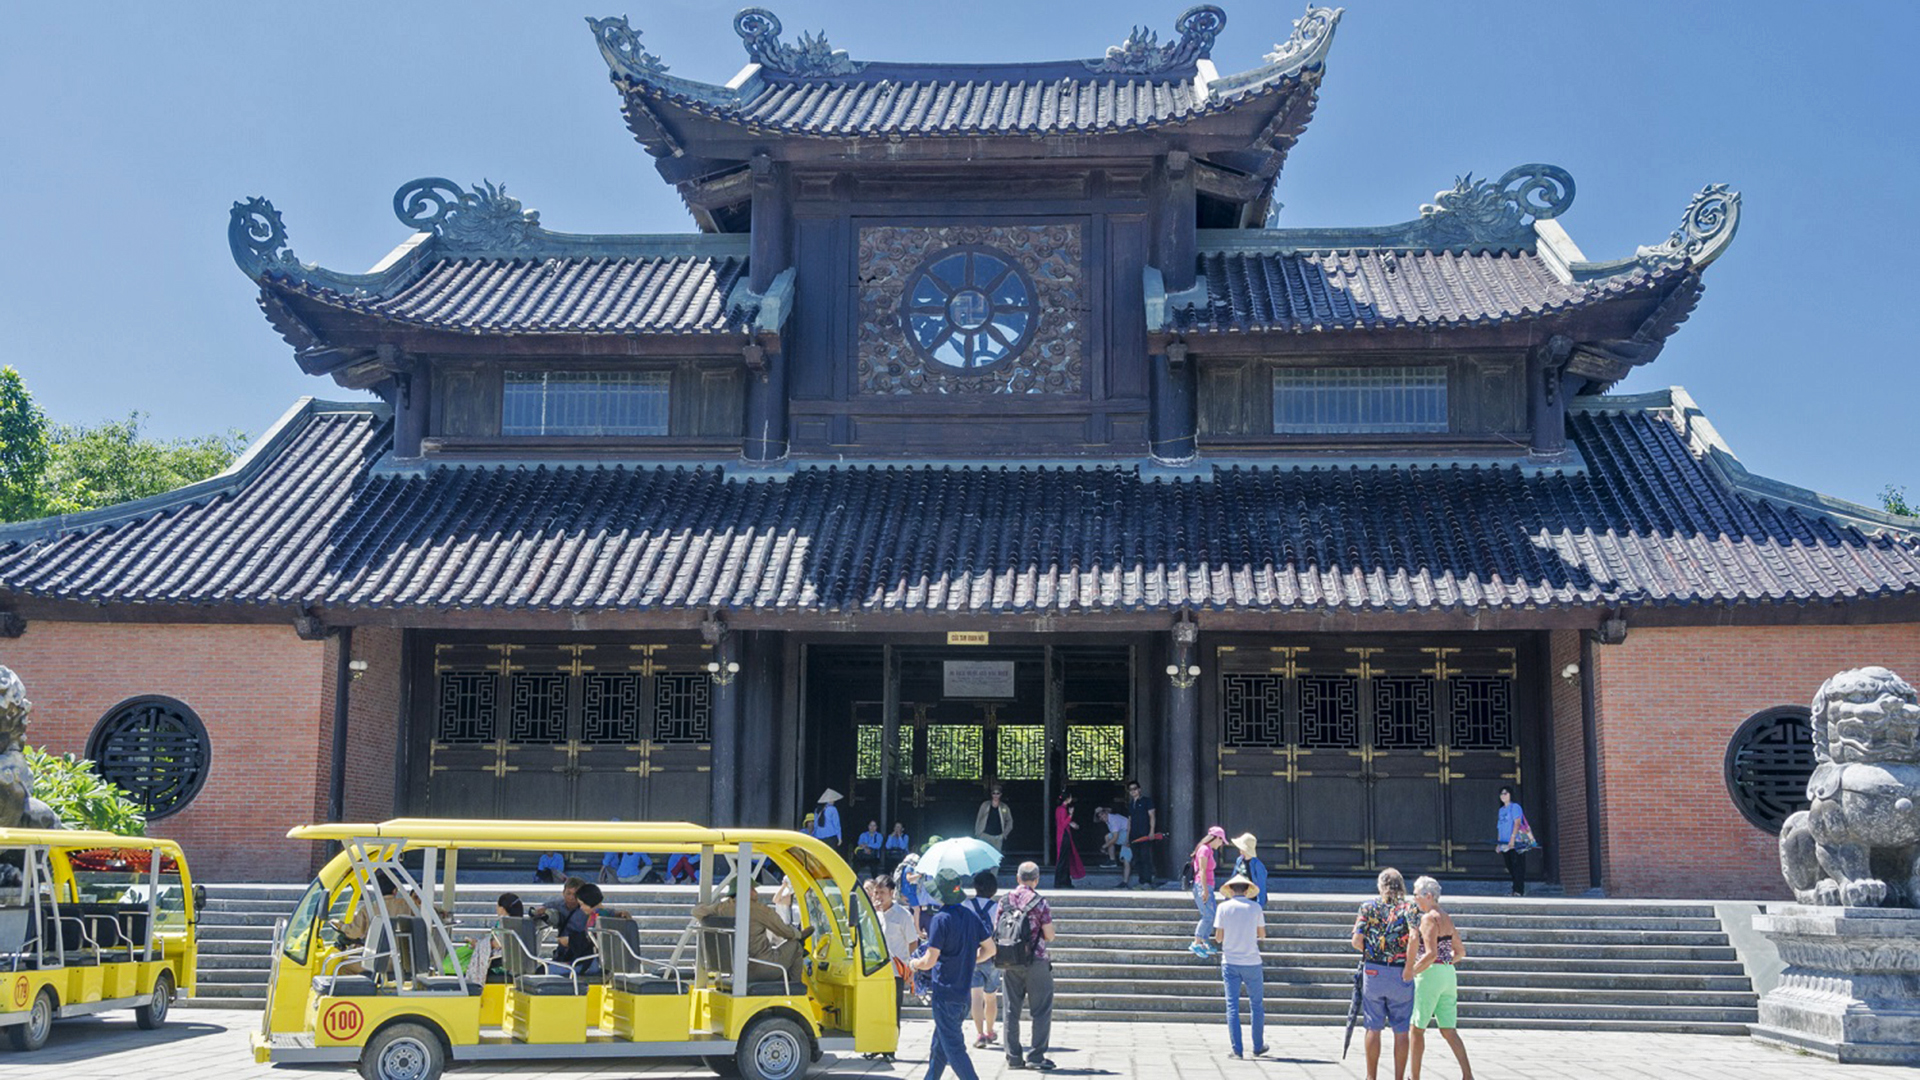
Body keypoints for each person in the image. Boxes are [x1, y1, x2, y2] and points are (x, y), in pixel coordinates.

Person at [911, 871, 997, 1080]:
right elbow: (991, 949)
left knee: (955, 1049)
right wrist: (969, 959)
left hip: (945, 993)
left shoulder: (940, 919)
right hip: (963, 993)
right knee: (940, 1045)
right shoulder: (970, 916)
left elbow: (930, 960)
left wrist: (914, 964)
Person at [1352, 868, 1417, 1080]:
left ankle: (1371, 1076)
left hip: (1374, 970)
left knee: (1373, 1025)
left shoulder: (1368, 907)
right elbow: (1415, 937)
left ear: (1381, 885)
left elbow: (1356, 940)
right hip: (1400, 971)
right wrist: (1409, 966)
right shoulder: (1410, 908)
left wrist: (1370, 949)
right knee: (1401, 1028)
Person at [1404, 876, 1472, 1080]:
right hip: (1447, 973)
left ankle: (1414, 1077)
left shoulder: (1428, 918)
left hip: (1430, 975)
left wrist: (1411, 971)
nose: (1414, 899)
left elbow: (1430, 953)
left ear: (1428, 896)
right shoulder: (1446, 917)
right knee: (1449, 1029)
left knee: (1416, 1029)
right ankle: (1467, 1075)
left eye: (1416, 894)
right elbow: (1460, 951)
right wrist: (1446, 963)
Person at [692, 877, 809, 986]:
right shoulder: (760, 910)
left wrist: (702, 904)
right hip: (762, 967)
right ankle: (795, 988)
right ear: (746, 890)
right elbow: (786, 933)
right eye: (753, 889)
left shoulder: (722, 908)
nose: (756, 893)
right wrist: (798, 934)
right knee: (796, 946)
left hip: (737, 970)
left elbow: (696, 911)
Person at [997, 860, 1057, 1071]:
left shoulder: (1004, 900)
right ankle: (1036, 1056)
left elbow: (997, 929)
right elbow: (1049, 935)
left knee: (1011, 1010)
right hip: (1036, 961)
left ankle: (1013, 1057)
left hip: (1009, 960)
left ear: (1017, 878)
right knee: (1041, 1010)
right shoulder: (1040, 902)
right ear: (1037, 879)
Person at [1211, 872, 1268, 1059]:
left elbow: (1219, 937)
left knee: (1232, 1005)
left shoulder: (1223, 908)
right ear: (1247, 890)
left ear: (1230, 890)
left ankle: (1237, 1049)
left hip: (1230, 961)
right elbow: (1262, 935)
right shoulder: (1255, 908)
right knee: (1257, 1005)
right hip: (1252, 961)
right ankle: (1258, 1045)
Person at [962, 870, 1002, 1048]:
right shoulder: (997, 907)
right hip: (992, 955)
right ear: (994, 890)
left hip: (972, 954)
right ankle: (990, 1030)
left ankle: (979, 1034)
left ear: (975, 887)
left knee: (975, 996)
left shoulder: (966, 905)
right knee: (991, 997)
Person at [1188, 826, 1227, 958]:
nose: (1221, 844)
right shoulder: (1204, 849)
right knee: (1207, 915)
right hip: (1202, 886)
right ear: (1216, 838)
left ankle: (1204, 941)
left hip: (1208, 886)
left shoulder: (1208, 850)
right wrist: (1204, 889)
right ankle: (1196, 942)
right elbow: (1202, 871)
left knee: (1212, 914)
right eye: (1221, 840)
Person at [552, 881, 603, 976]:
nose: (581, 908)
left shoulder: (599, 918)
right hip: (587, 960)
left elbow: (592, 942)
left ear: (590, 901)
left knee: (547, 970)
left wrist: (570, 940)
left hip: (590, 964)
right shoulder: (594, 916)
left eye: (583, 904)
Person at [1495, 787, 1529, 896]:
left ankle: (1518, 890)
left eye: (1506, 793)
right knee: (1510, 866)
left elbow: (1517, 823)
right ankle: (1514, 889)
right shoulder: (1501, 810)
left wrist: (1513, 839)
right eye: (1501, 794)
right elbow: (1500, 827)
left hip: (1516, 842)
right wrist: (1498, 843)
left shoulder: (1515, 807)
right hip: (1505, 843)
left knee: (1517, 866)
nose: (1503, 795)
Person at [1126, 780, 1159, 887]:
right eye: (1130, 790)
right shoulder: (1131, 804)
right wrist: (1127, 837)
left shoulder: (1147, 801)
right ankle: (1141, 880)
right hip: (1134, 835)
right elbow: (1129, 821)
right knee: (1137, 859)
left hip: (1145, 834)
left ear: (1139, 789)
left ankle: (1147, 881)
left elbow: (1152, 816)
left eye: (1135, 789)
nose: (1133, 791)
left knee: (1145, 857)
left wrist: (1151, 831)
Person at [1052, 793, 1085, 889]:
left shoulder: (1059, 809)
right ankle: (1060, 882)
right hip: (1064, 835)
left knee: (1064, 860)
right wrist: (1070, 815)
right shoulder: (1062, 809)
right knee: (1063, 860)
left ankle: (1065, 881)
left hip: (1062, 835)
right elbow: (1063, 823)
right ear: (1067, 799)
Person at [1231, 833, 1269, 907]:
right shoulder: (1239, 860)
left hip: (1252, 898)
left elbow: (1261, 885)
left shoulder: (1258, 865)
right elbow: (1233, 877)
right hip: (1239, 895)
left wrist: (1260, 904)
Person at [1102, 805, 1133, 886]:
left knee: (1108, 837)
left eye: (1102, 814)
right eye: (1099, 816)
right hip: (1127, 838)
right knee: (1126, 860)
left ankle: (1112, 860)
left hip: (1128, 837)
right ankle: (1125, 882)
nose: (1101, 817)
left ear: (1106, 813)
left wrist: (1104, 846)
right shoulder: (1109, 819)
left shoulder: (1113, 820)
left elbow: (1115, 838)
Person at [975, 786, 1012, 855]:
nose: (995, 795)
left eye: (997, 793)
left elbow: (1010, 821)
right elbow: (979, 819)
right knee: (983, 856)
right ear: (991, 795)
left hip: (997, 837)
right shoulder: (985, 805)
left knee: (996, 857)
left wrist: (1004, 834)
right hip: (985, 835)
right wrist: (978, 833)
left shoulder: (1004, 807)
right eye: (993, 793)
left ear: (1000, 794)